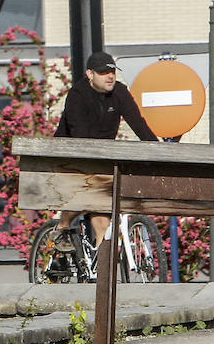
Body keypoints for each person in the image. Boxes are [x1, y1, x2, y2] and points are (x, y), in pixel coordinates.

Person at [51, 51, 158, 248]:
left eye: (112, 72)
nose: (110, 76)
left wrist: (157, 150)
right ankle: (62, 227)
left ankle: (102, 267)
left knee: (103, 215)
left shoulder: (120, 92)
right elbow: (79, 135)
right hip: (72, 156)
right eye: (103, 72)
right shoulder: (77, 95)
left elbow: (139, 124)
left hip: (104, 157)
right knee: (86, 196)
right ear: (90, 74)